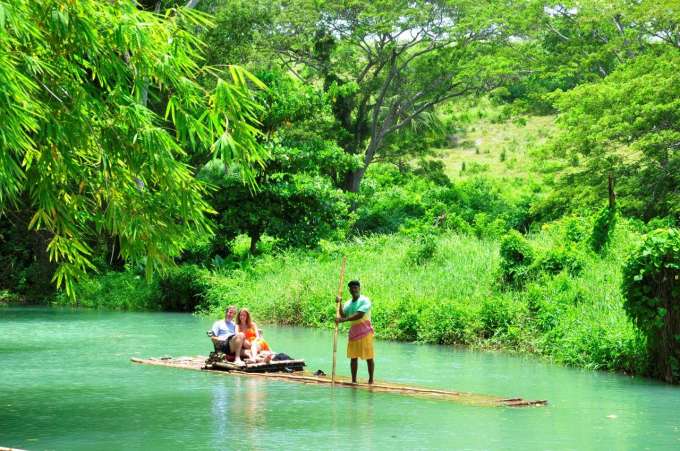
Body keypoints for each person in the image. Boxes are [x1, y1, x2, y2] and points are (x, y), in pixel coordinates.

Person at [336, 280, 375, 384]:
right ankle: (354, 380)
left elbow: (359, 315)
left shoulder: (365, 300)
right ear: (349, 290)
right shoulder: (348, 303)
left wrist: (344, 320)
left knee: (369, 357)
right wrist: (339, 303)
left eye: (356, 288)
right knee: (353, 357)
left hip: (365, 332)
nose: (354, 290)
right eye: (352, 288)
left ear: (359, 288)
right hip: (354, 333)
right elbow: (343, 315)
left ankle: (371, 380)